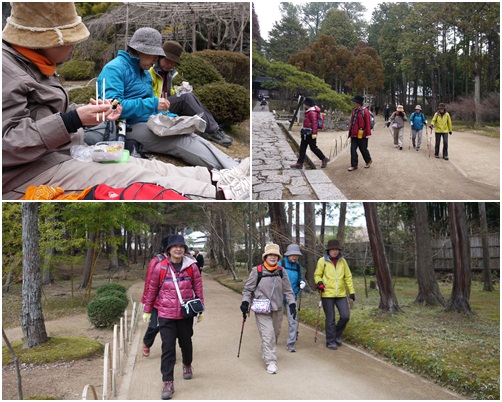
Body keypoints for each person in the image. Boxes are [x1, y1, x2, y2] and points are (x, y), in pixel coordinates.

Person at [1, 2, 226, 200]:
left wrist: (82, 111)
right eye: (71, 40)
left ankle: (221, 175)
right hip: (35, 168)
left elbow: (48, 112)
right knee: (145, 171)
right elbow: (8, 142)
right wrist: (74, 119)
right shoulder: (114, 68)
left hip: (65, 150)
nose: (74, 47)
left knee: (157, 158)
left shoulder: (38, 64)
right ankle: (221, 192)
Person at [97, 28, 239, 170]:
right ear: (141, 50)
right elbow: (112, 107)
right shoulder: (114, 69)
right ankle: (230, 169)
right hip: (125, 127)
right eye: (155, 54)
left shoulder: (144, 74)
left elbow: (150, 104)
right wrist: (153, 103)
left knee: (187, 133)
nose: (156, 59)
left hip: (148, 121)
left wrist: (174, 119)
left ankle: (231, 163)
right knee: (180, 140)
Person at [142, 234, 204, 400]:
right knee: (167, 348)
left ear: (184, 249)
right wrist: (148, 310)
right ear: (168, 249)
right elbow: (152, 290)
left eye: (181, 246)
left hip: (185, 314)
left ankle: (187, 364)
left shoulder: (192, 267)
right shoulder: (160, 267)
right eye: (175, 246)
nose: (178, 249)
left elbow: (198, 288)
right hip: (165, 314)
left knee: (186, 343)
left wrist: (200, 309)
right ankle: (167, 381)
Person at [149, 40, 233, 147]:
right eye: (167, 60)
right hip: (154, 107)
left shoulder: (167, 73)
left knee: (188, 95)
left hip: (165, 105)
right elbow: (149, 95)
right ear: (160, 57)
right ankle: (212, 131)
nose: (169, 64)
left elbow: (168, 93)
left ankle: (214, 129)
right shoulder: (150, 71)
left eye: (173, 62)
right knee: (186, 97)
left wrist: (179, 91)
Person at [240, 244, 296, 374]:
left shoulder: (281, 271)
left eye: (275, 255)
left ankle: (267, 351)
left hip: (277, 308)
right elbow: (248, 289)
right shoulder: (257, 271)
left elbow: (288, 290)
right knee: (268, 334)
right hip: (261, 309)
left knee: (275, 333)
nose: (273, 257)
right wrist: (245, 302)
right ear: (265, 256)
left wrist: (292, 303)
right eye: (270, 255)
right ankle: (271, 361)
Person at [314, 239, 355, 350]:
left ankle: (336, 334)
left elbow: (348, 277)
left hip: (341, 293)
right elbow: (317, 275)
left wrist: (351, 292)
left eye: (337, 249)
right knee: (330, 318)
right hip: (327, 293)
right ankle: (330, 341)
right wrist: (320, 283)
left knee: (345, 316)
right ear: (329, 250)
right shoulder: (322, 261)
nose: (335, 252)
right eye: (333, 250)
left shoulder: (343, 261)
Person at [141, 236, 171, 357]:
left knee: (169, 329)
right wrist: (147, 300)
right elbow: (149, 282)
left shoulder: (179, 261)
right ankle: (146, 343)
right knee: (154, 326)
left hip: (171, 301)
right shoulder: (156, 261)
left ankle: (168, 353)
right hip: (156, 300)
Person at [278, 244, 305, 353]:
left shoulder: (298, 267)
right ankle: (273, 338)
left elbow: (299, 279)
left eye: (296, 255)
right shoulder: (280, 264)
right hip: (279, 296)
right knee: (277, 320)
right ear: (288, 255)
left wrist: (301, 283)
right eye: (292, 255)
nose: (294, 257)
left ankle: (291, 343)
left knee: (293, 320)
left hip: (292, 297)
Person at [290, 97, 329, 170]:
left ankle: (324, 158)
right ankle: (300, 163)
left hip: (310, 133)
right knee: (302, 148)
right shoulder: (309, 111)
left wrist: (314, 133)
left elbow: (314, 124)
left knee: (313, 148)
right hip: (305, 132)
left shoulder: (312, 112)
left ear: (307, 104)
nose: (304, 104)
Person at [347, 95, 373, 171]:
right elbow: (352, 122)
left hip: (362, 133)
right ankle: (354, 165)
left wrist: (367, 134)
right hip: (354, 134)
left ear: (358, 102)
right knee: (353, 149)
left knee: (363, 149)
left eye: (354, 101)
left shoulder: (364, 111)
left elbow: (367, 123)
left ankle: (368, 160)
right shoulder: (354, 111)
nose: (353, 103)